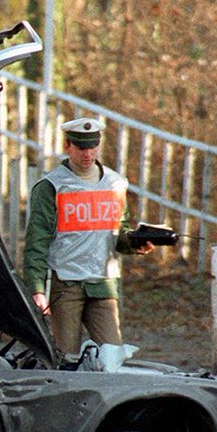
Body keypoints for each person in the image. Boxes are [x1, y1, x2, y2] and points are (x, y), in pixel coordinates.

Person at [22, 117, 154, 363]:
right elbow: (36, 242)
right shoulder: (51, 186)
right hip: (66, 283)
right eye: (82, 147)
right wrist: (37, 289)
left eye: (93, 146)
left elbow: (118, 231)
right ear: (68, 146)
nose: (88, 153)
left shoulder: (115, 184)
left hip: (102, 283)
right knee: (65, 360)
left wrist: (136, 243)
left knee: (112, 359)